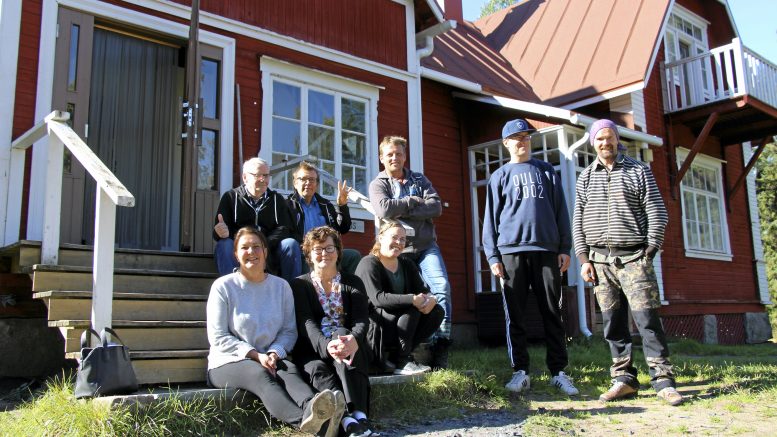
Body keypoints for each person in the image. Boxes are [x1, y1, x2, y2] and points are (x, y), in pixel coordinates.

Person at [572, 119, 683, 406]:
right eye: (599, 139)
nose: (604, 143)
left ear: (616, 139)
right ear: (592, 143)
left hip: (635, 257)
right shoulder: (585, 177)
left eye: (609, 138)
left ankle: (663, 381)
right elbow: (578, 223)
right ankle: (623, 379)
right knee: (613, 323)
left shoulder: (639, 171)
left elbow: (657, 212)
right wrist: (583, 259)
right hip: (599, 262)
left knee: (647, 320)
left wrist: (649, 251)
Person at [206, 227, 346, 437]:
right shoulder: (223, 287)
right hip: (228, 362)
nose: (251, 251)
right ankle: (309, 425)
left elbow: (288, 331)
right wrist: (256, 355)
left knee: (288, 370)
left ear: (265, 251)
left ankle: (312, 408)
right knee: (261, 374)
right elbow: (218, 337)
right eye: (244, 247)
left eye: (256, 246)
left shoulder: (281, 287)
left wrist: (273, 353)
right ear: (236, 254)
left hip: (270, 356)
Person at [482, 119, 579, 396]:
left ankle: (558, 372)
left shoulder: (547, 171)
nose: (522, 141)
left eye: (526, 137)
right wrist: (493, 256)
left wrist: (564, 248)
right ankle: (520, 371)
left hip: (547, 251)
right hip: (511, 252)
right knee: (516, 315)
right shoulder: (499, 176)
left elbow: (561, 211)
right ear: (506, 143)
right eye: (516, 138)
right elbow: (490, 220)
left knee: (552, 312)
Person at [368, 135, 452, 369]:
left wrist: (402, 207)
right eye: (390, 154)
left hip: (426, 248)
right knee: (408, 298)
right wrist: (414, 201)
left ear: (405, 156)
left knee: (441, 288)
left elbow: (435, 207)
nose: (395, 158)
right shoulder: (379, 183)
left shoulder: (419, 178)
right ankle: (406, 350)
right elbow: (383, 208)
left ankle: (440, 345)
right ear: (382, 158)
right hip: (398, 251)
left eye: (399, 153)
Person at [290, 226, 377, 437]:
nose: (324, 254)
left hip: (348, 345)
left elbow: (361, 319)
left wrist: (354, 339)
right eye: (317, 249)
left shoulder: (353, 282)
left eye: (329, 248)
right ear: (309, 255)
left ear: (338, 251)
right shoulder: (300, 285)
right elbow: (306, 322)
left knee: (342, 337)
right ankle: (348, 419)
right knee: (318, 369)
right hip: (313, 347)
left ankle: (359, 417)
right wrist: (326, 346)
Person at [355, 220, 444, 376]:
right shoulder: (368, 263)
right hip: (376, 323)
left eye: (402, 239)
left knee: (436, 311)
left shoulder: (406, 263)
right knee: (412, 309)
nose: (399, 242)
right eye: (394, 237)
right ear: (381, 237)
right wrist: (412, 299)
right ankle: (402, 361)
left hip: (401, 322)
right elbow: (378, 299)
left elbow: (423, 290)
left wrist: (431, 299)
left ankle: (400, 356)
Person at [213, 157, 301, 281]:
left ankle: (292, 293)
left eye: (266, 175)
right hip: (241, 251)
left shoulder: (277, 199)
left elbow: (285, 228)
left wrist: (263, 244)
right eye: (257, 175)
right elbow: (219, 232)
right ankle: (233, 289)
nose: (263, 180)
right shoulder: (230, 198)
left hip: (269, 250)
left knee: (290, 244)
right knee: (224, 244)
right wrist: (220, 232)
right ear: (245, 177)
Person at [287, 161, 362, 275]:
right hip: (304, 253)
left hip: (328, 251)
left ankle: (348, 292)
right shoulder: (288, 205)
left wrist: (342, 206)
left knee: (353, 256)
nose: (308, 183)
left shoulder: (325, 205)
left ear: (317, 184)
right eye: (303, 179)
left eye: (312, 180)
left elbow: (343, 228)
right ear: (295, 183)